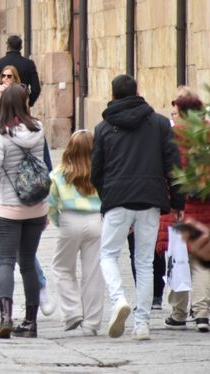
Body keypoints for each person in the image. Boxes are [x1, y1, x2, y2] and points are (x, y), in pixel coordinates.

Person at [91, 74, 185, 340]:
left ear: (113, 94)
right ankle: (142, 323)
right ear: (137, 92)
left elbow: (96, 171)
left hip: (117, 198)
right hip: (150, 199)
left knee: (108, 254)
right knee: (144, 262)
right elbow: (173, 165)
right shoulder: (158, 123)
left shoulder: (104, 127)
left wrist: (105, 197)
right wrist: (177, 202)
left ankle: (119, 299)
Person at [0, 84, 48, 339]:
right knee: (28, 263)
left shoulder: (0, 134)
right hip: (36, 206)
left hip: (8, 207)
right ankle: (31, 322)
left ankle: (6, 317)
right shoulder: (38, 129)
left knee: (6, 261)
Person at [157, 91, 210, 332]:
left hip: (181, 207)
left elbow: (169, 172)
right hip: (206, 206)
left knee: (179, 259)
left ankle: (179, 314)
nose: (173, 117)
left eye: (175, 113)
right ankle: (201, 314)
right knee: (201, 260)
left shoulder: (173, 137)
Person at [48, 130, 104, 335]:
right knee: (94, 273)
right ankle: (92, 323)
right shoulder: (101, 171)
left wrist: (58, 221)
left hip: (69, 219)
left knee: (61, 267)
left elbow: (51, 203)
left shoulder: (59, 173)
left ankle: (72, 312)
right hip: (97, 220)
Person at [0, 35, 41, 107]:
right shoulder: (28, 64)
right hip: (21, 104)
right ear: (21, 47)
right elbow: (36, 89)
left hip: (3, 105)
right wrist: (27, 103)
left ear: (7, 46)